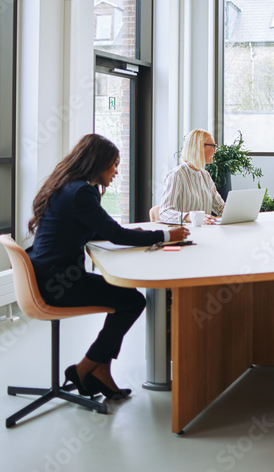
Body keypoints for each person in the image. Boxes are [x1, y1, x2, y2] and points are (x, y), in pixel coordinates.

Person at [27, 134, 189, 399]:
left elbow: (94, 231)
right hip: (58, 284)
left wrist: (124, 233)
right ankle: (85, 368)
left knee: (128, 298)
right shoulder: (80, 192)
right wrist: (167, 235)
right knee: (132, 300)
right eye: (113, 164)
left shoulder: (69, 186)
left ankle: (99, 368)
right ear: (97, 163)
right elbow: (116, 235)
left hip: (49, 275)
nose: (116, 171)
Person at [158, 129, 225, 224]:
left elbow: (220, 207)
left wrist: (240, 213)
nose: (215, 151)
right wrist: (189, 217)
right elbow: (164, 212)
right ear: (199, 147)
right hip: (185, 233)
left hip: (205, 232)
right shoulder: (177, 175)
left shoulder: (205, 175)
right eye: (213, 146)